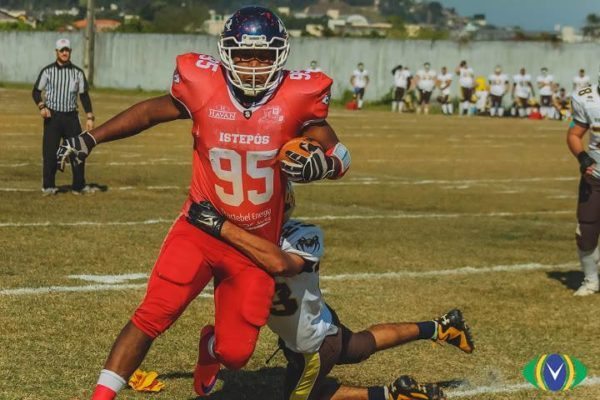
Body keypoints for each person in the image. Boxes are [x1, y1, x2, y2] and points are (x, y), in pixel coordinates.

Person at [59, 7, 352, 400]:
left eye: (263, 56)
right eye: (244, 55)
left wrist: (326, 164)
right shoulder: (203, 85)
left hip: (254, 247)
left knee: (235, 354)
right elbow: (149, 112)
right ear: (225, 54)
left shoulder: (298, 98)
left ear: (280, 55)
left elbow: (340, 152)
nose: (252, 65)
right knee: (153, 314)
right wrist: (92, 138)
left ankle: (209, 347)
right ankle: (100, 396)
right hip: (199, 226)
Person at [185, 187, 474, 400]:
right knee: (362, 345)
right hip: (321, 322)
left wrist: (222, 228)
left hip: (313, 345)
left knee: (303, 398)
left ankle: (392, 395)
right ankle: (440, 327)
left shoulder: (303, 234)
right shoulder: (245, 239)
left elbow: (282, 264)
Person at [32, 38, 95, 196]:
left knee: (77, 151)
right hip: (53, 117)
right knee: (50, 152)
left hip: (71, 118)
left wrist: (89, 116)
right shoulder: (48, 71)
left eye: (67, 50)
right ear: (56, 52)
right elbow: (36, 92)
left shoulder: (77, 73)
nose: (65, 53)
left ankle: (78, 185)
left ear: (70, 52)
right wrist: (42, 106)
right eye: (62, 50)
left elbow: (84, 96)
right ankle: (48, 186)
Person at [567, 79, 600, 296]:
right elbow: (574, 134)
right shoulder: (587, 98)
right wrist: (583, 158)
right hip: (596, 175)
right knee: (586, 230)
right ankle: (591, 279)